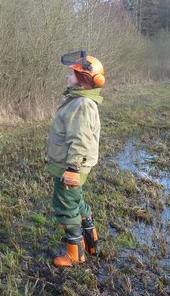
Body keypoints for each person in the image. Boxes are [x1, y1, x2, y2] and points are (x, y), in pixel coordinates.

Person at [47, 50, 103, 267]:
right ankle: (91, 243)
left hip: (69, 166)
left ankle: (74, 255)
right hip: (71, 164)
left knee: (66, 205)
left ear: (83, 79)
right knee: (76, 202)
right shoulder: (79, 101)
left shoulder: (81, 104)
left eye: (72, 74)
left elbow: (80, 140)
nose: (68, 76)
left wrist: (72, 168)